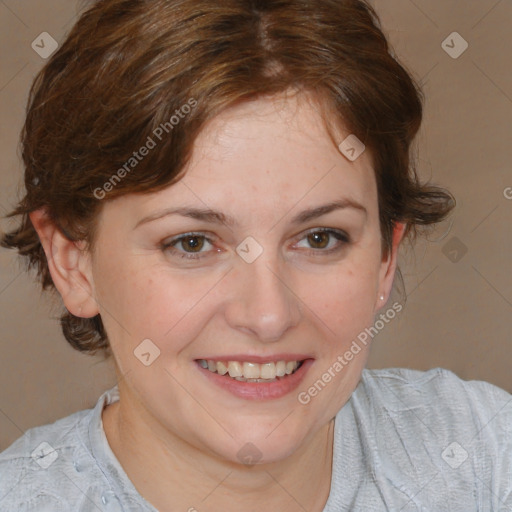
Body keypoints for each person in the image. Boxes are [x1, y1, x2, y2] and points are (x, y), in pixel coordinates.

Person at [1, 0, 511, 510]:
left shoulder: (485, 455)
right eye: (192, 243)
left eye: (319, 238)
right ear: (73, 262)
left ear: (385, 258)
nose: (268, 315)